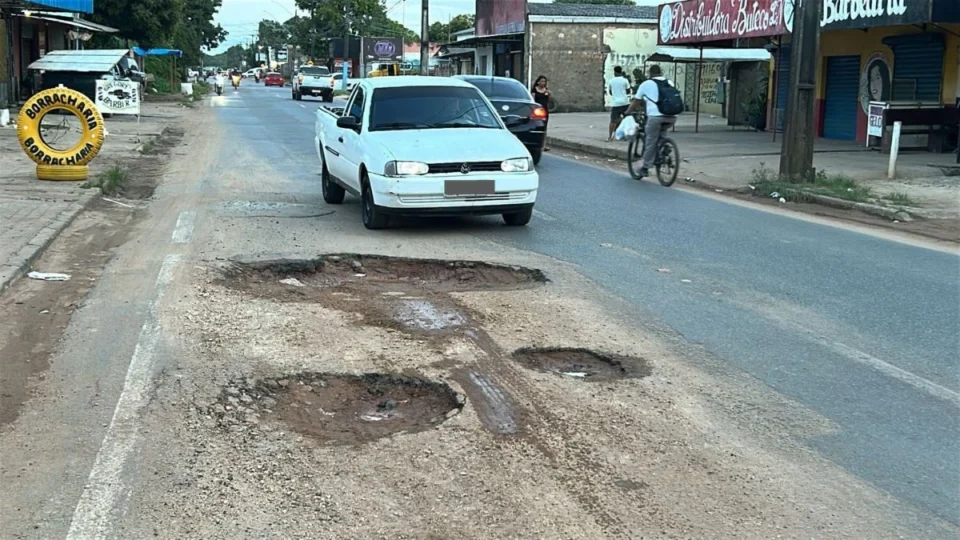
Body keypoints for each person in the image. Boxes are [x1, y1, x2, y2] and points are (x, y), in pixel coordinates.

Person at [621, 65, 679, 178]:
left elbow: (636, 101)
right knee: (662, 134)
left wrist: (627, 112)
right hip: (672, 116)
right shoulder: (669, 83)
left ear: (650, 74)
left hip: (655, 117)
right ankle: (664, 149)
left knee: (650, 141)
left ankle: (645, 168)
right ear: (660, 73)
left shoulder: (646, 84)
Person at [607, 66, 632, 142]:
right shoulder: (625, 80)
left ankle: (610, 137)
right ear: (621, 72)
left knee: (612, 120)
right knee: (626, 119)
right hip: (625, 102)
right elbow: (628, 91)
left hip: (616, 103)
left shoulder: (611, 81)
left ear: (614, 72)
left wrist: (616, 94)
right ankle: (626, 135)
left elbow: (610, 92)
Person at [531, 75, 551, 152]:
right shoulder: (534, 90)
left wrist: (549, 94)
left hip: (545, 111)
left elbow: (548, 101)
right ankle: (535, 144)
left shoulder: (546, 90)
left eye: (544, 81)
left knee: (544, 128)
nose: (543, 83)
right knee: (536, 127)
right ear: (538, 82)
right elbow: (533, 100)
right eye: (542, 81)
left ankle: (543, 145)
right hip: (537, 111)